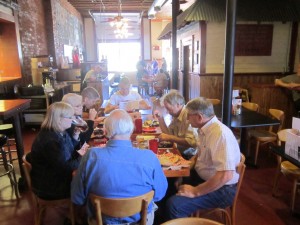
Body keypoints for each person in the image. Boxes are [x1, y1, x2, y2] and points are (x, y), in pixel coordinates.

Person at [71, 109, 168, 225]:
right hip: (139, 221)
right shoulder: (149, 157)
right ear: (132, 130)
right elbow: (159, 195)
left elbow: (77, 197)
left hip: (101, 220)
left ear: (105, 132)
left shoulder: (91, 156)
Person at [165, 97, 241, 220]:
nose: (188, 120)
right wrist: (184, 168)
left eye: (189, 116)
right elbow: (199, 154)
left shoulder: (220, 134)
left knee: (174, 206)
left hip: (223, 189)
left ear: (199, 117)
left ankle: (174, 217)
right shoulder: (204, 129)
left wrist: (195, 191)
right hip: (204, 177)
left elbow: (225, 175)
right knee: (169, 181)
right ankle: (165, 219)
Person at [27, 102, 83, 225]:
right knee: (86, 187)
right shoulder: (51, 140)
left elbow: (66, 153)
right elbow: (67, 167)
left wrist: (75, 136)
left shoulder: (58, 132)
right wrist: (82, 157)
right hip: (51, 186)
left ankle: (76, 215)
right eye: (70, 117)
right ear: (59, 119)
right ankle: (78, 216)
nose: (73, 120)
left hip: (50, 177)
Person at [154, 90, 198, 159]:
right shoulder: (176, 114)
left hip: (189, 156)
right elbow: (168, 134)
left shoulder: (188, 115)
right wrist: (161, 119)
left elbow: (191, 142)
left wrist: (170, 137)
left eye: (169, 109)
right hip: (180, 152)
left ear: (178, 104)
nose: (167, 112)